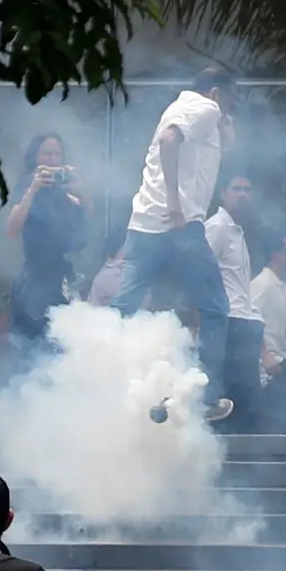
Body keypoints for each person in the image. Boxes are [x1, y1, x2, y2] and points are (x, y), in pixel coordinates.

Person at [112, 67, 238, 422]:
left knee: (123, 309)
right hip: (179, 226)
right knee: (214, 309)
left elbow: (213, 148)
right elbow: (170, 141)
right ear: (216, 93)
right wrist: (174, 203)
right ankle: (205, 397)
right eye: (229, 101)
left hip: (142, 225)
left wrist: (226, 124)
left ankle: (99, 379)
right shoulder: (206, 107)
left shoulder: (179, 106)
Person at [6, 132, 88, 348]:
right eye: (46, 153)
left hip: (62, 275)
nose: (52, 159)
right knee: (32, 342)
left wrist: (81, 190)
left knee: (63, 340)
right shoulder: (27, 184)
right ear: (36, 157)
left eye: (56, 154)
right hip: (35, 278)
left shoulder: (63, 188)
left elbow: (86, 218)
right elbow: (12, 229)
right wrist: (33, 189)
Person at [204, 172, 265, 428]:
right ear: (223, 193)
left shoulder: (237, 230)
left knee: (247, 398)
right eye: (236, 189)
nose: (242, 195)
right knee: (235, 396)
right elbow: (200, 271)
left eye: (247, 190)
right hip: (229, 320)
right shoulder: (217, 226)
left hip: (244, 320)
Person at [252, 231, 286, 425]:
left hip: (282, 365)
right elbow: (250, 321)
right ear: (276, 255)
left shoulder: (281, 285)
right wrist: (265, 356)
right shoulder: (262, 284)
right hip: (266, 372)